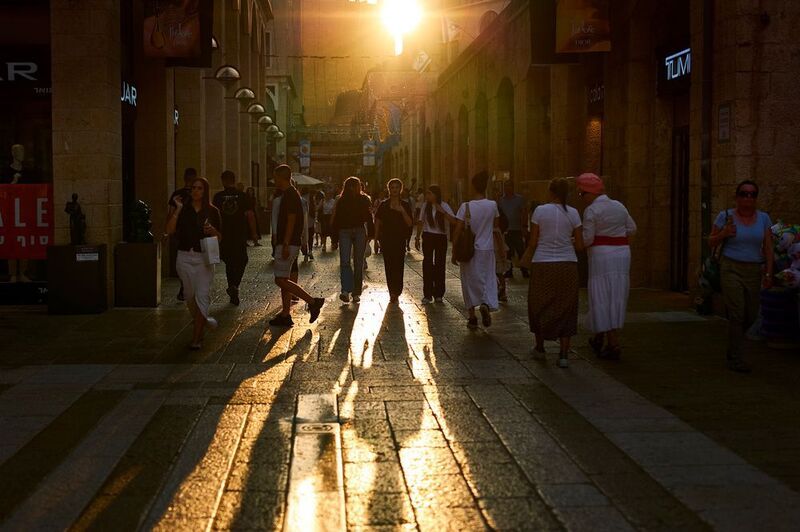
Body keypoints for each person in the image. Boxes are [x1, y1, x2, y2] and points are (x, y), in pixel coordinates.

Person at [709, 180, 774, 373]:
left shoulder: (764, 219)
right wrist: (724, 234)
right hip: (731, 268)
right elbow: (710, 242)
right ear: (737, 197)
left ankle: (733, 346)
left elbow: (769, 248)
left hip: (754, 270)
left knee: (751, 314)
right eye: (744, 194)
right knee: (737, 312)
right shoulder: (726, 217)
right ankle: (736, 358)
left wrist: (769, 272)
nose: (748, 198)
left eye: (752, 194)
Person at [521, 178, 584, 368]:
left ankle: (540, 347)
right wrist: (567, 241)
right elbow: (580, 245)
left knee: (539, 303)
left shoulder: (540, 211)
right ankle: (564, 354)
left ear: (550, 192)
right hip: (567, 264)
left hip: (543, 263)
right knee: (567, 305)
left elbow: (533, 242)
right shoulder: (573, 213)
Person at [577, 173, 638, 362]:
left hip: (601, 256)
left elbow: (587, 239)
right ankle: (600, 337)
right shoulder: (619, 206)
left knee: (602, 295)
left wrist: (573, 241)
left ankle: (613, 343)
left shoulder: (591, 211)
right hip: (621, 255)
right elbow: (632, 228)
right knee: (616, 295)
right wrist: (619, 242)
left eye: (581, 194)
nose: (581, 198)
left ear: (588, 193)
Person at [165, 177, 222, 350]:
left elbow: (220, 238)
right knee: (190, 296)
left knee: (202, 296)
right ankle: (204, 320)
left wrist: (213, 231)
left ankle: (197, 338)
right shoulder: (184, 210)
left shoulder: (212, 211)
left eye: (200, 188)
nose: (196, 191)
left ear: (205, 191)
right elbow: (169, 230)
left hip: (203, 259)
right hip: (184, 257)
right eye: (193, 188)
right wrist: (178, 209)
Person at [269, 165, 325, 327]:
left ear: (281, 177)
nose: (274, 181)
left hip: (288, 242)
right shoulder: (291, 194)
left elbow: (292, 219)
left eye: (275, 177)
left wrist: (286, 243)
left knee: (280, 279)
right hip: (289, 241)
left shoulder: (290, 195)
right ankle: (286, 314)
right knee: (284, 278)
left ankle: (312, 302)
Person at [452, 171, 501, 329]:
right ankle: (485, 303)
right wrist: (502, 249)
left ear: (473, 187)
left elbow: (458, 230)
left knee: (468, 281)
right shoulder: (492, 206)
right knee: (487, 278)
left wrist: (454, 250)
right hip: (487, 249)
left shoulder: (465, 206)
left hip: (469, 250)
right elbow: (496, 228)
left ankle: (472, 316)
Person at [213, 171, 258, 306]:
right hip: (239, 234)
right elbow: (250, 215)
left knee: (229, 261)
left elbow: (214, 216)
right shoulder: (243, 196)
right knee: (242, 259)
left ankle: (232, 286)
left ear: (223, 181)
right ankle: (235, 285)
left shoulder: (218, 197)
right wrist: (254, 233)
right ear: (234, 180)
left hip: (224, 235)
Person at [332, 177, 373, 303]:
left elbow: (368, 217)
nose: (354, 188)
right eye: (352, 186)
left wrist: (371, 234)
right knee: (345, 261)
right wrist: (334, 238)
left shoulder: (364, 199)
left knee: (358, 262)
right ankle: (346, 290)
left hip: (359, 231)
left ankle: (356, 292)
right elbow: (336, 219)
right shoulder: (341, 200)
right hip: (344, 231)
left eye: (355, 186)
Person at [414, 185, 455, 303]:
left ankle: (439, 293)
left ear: (436, 195)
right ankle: (427, 294)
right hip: (428, 236)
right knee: (427, 264)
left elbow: (453, 221)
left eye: (429, 193)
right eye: (427, 193)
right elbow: (421, 222)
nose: (427, 196)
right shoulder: (425, 206)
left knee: (440, 265)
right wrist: (417, 237)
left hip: (441, 237)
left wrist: (442, 212)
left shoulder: (444, 205)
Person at [375, 178, 414, 303]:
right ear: (389, 189)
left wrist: (402, 211)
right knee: (389, 265)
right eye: (392, 187)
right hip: (386, 239)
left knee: (398, 265)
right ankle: (392, 291)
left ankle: (397, 291)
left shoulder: (405, 205)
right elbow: (378, 222)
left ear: (400, 189)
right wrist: (375, 239)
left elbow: (409, 223)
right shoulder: (383, 205)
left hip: (400, 239)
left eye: (397, 187)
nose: (394, 190)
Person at [168, 167, 197, 301]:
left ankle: (184, 285)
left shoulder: (177, 194)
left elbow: (171, 213)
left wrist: (167, 230)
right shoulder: (197, 193)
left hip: (180, 231)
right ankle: (188, 286)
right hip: (193, 231)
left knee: (181, 260)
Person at [498, 180, 530, 279]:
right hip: (506, 230)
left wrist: (524, 226)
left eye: (509, 186)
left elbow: (524, 212)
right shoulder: (501, 200)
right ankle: (509, 270)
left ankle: (524, 270)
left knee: (520, 250)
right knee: (508, 251)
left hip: (517, 229)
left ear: (512, 187)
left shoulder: (519, 199)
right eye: (506, 187)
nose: (507, 189)